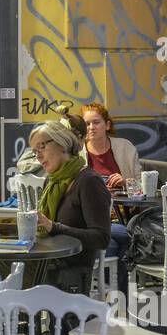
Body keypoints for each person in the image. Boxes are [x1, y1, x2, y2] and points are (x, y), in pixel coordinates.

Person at [29, 121, 111, 294]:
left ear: (61, 143)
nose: (38, 156)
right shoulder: (52, 181)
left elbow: (101, 238)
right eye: (35, 152)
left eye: (41, 147)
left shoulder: (88, 181)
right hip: (48, 261)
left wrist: (54, 227)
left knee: (5, 273)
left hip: (70, 270)